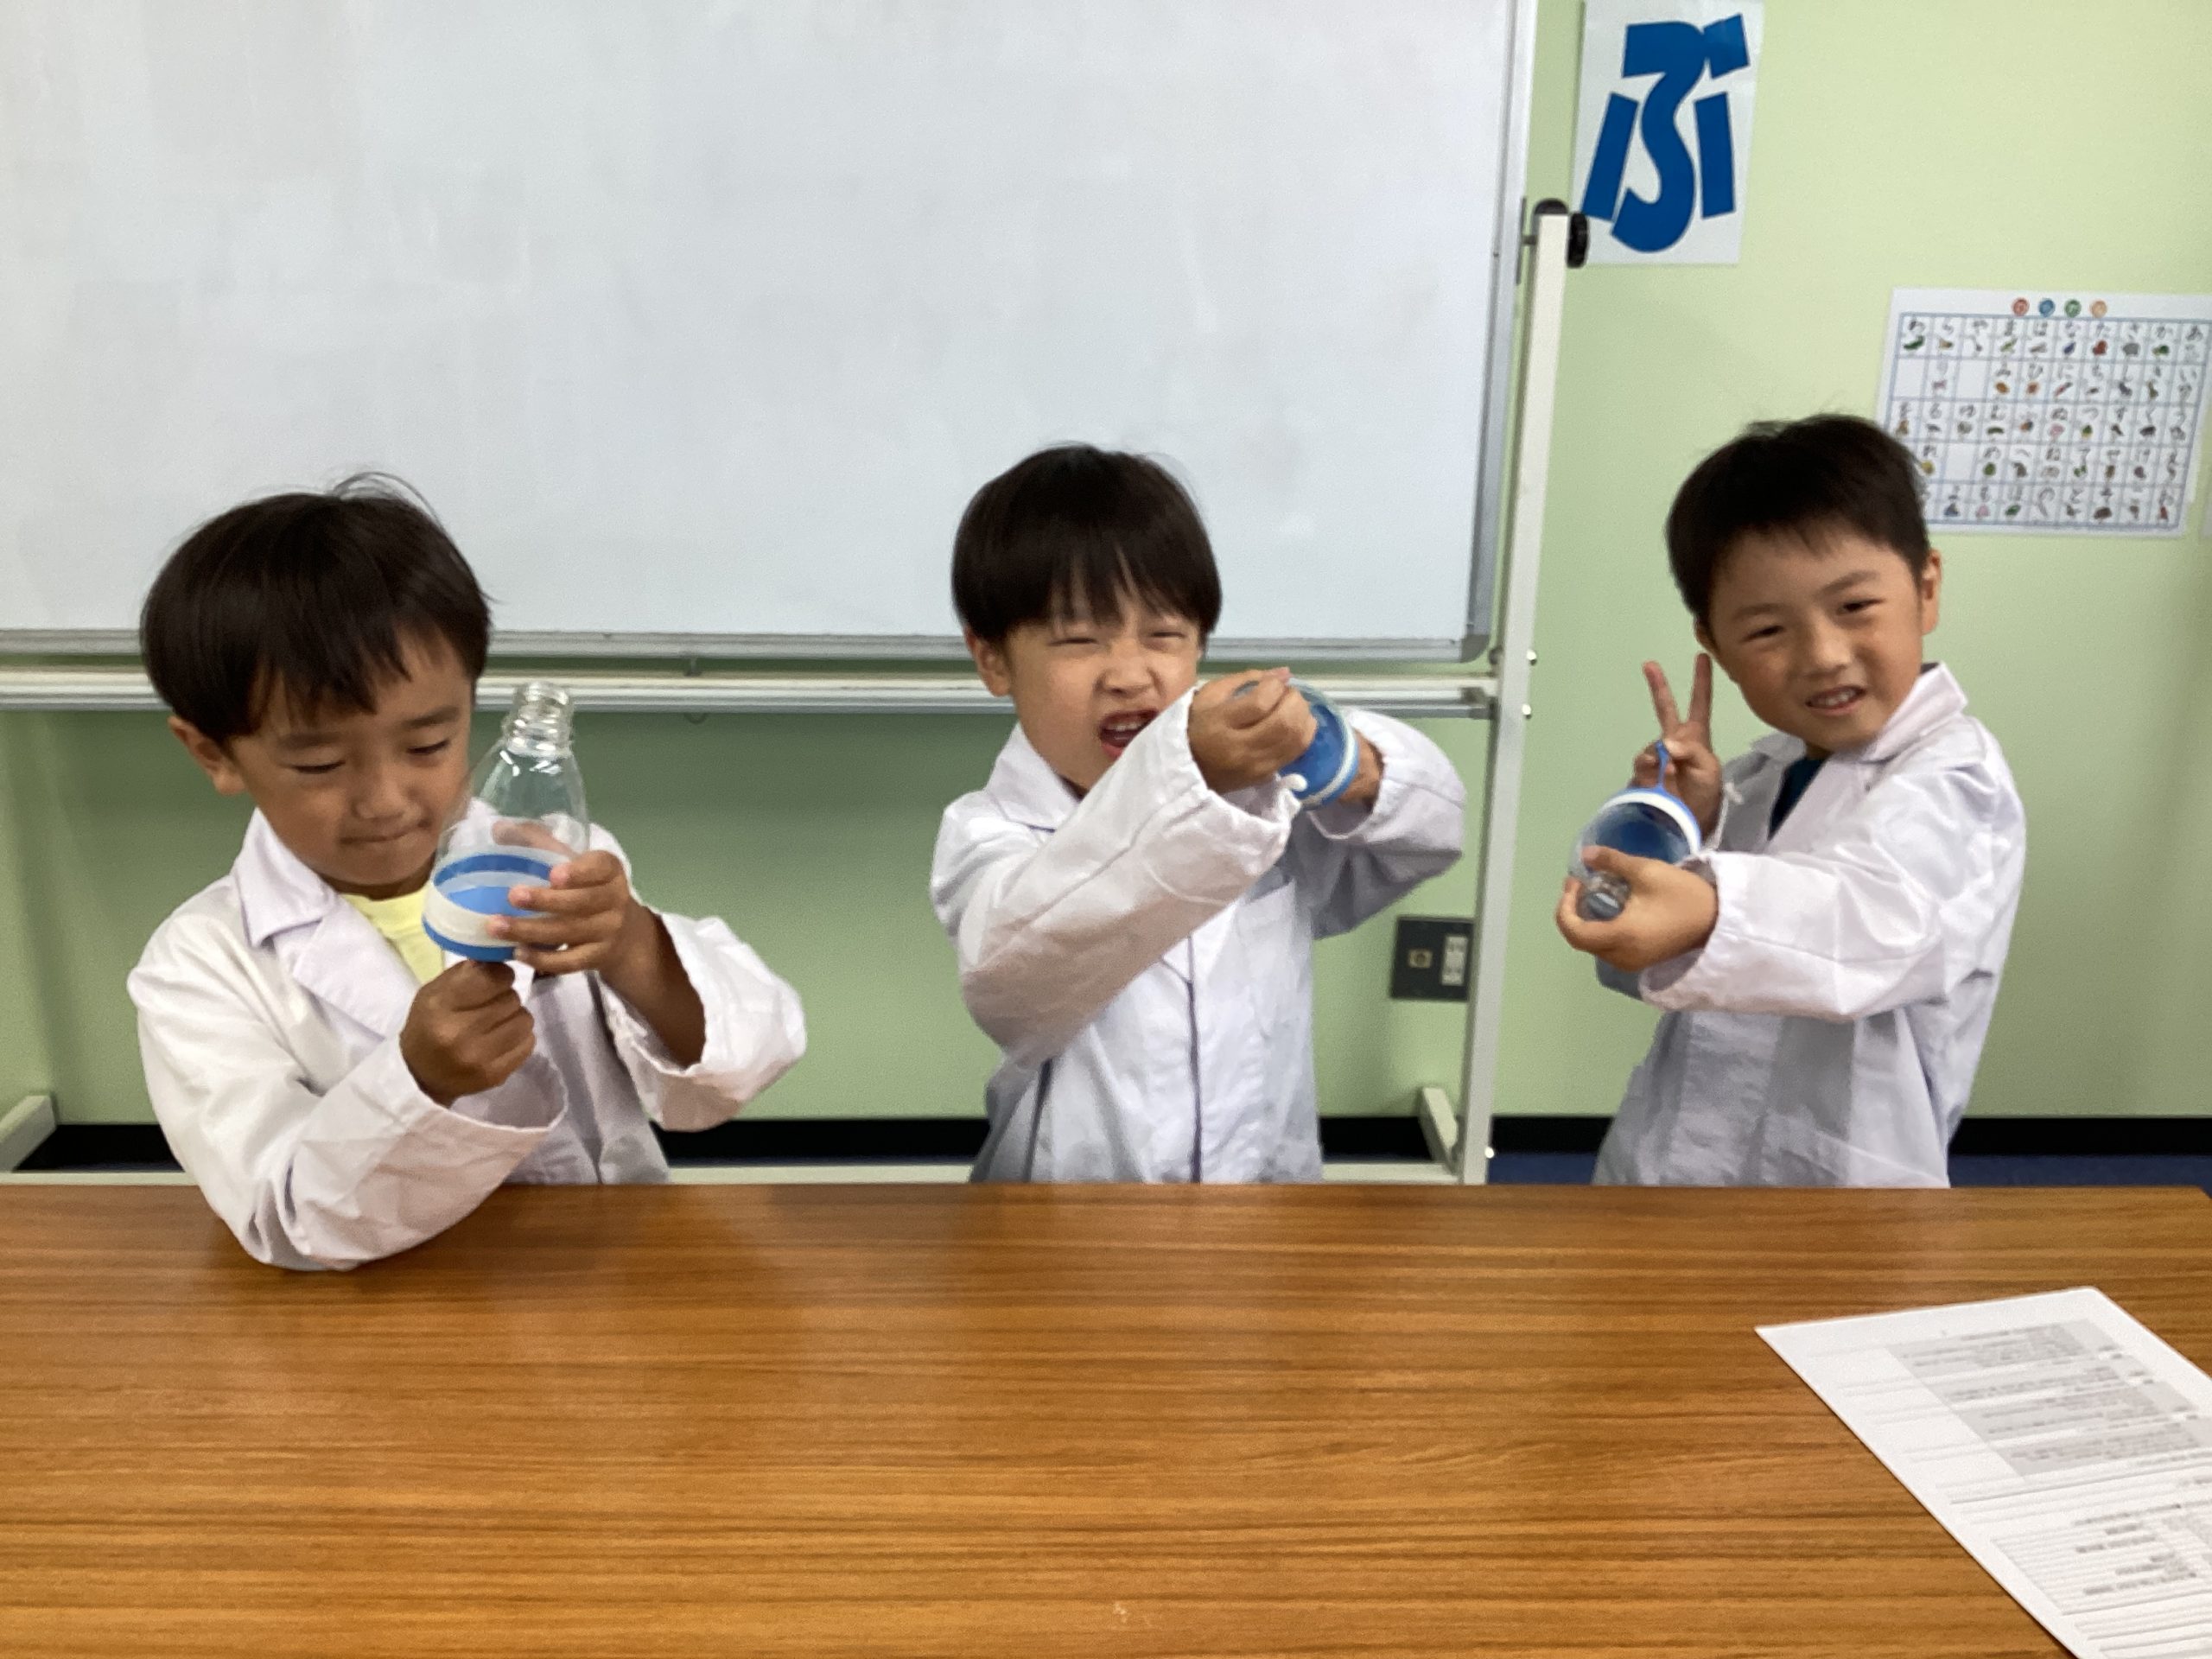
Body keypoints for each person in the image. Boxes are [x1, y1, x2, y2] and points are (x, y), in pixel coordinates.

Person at [129, 479, 805, 1268]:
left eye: (428, 746)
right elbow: (286, 1219)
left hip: (605, 1274)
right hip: (384, 1308)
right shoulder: (199, 966)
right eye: (320, 764)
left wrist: (631, 946)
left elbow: (742, 1067)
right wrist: (417, 1083)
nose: (386, 800)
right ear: (213, 753)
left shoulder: (553, 863)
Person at [931, 444, 1465, 1181]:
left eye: (1164, 635)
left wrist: (1334, 753)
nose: (1130, 674)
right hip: (1070, 1218)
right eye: (1078, 640)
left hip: (1262, 1204)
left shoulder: (1267, 805)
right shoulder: (989, 833)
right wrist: (1185, 781)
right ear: (993, 659)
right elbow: (1015, 981)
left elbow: (1432, 832)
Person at [1556, 415, 2025, 1185]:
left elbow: (1873, 922)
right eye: (1769, 630)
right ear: (1715, 646)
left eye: (1855, 607)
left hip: (1837, 1180)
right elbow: (1641, 956)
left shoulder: (1956, 778)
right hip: (1676, 1161)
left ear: (1925, 589)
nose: (1823, 655)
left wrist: (1708, 906)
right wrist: (1683, 824)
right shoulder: (1758, 775)